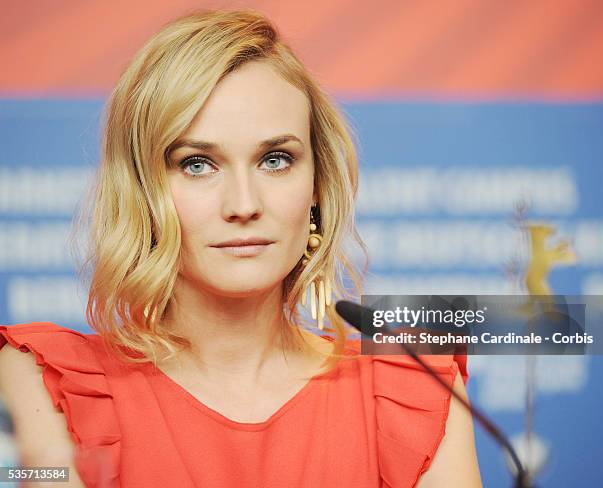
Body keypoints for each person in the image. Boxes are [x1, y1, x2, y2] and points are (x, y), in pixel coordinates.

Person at [0, 9, 481, 488]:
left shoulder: (414, 388)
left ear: (317, 184)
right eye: (197, 164)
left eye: (275, 160)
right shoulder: (46, 382)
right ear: (143, 189)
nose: (244, 205)